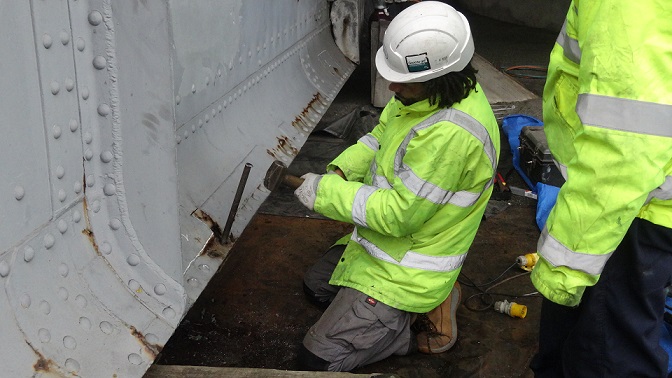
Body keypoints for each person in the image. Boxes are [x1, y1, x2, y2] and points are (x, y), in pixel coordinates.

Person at [292, 1, 500, 372]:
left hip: (408, 268)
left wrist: (326, 193)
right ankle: (395, 313)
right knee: (317, 287)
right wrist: (340, 171)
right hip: (384, 243)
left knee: (316, 360)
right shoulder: (421, 98)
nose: (391, 85)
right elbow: (378, 139)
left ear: (440, 78)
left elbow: (399, 215)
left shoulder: (451, 135)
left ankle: (414, 324)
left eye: (403, 80)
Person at [529, 1, 672, 377]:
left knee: (606, 357)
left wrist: (563, 269)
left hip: (628, 211)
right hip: (639, 201)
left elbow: (624, 147)